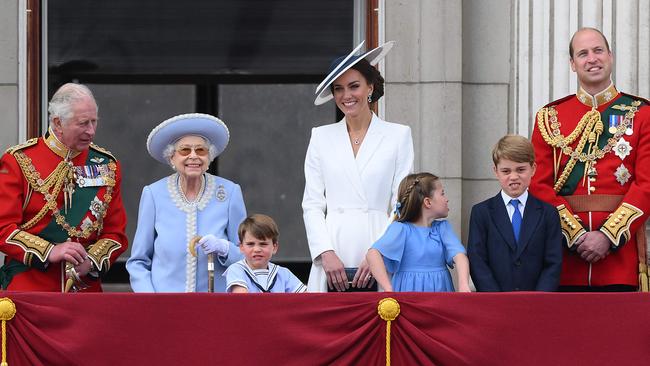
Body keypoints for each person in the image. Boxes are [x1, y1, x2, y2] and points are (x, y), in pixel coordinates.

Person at [530, 27, 650, 291]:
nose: (592, 59)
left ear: (611, 56)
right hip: (564, 259)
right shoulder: (550, 117)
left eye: (598, 50)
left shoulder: (641, 114)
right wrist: (576, 235)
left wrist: (608, 235)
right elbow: (538, 185)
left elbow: (646, 185)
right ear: (573, 64)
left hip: (620, 259)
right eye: (582, 54)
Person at [303, 40, 414, 292]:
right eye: (338, 89)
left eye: (354, 86)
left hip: (378, 241)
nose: (346, 95)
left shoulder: (398, 135)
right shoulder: (320, 137)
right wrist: (324, 252)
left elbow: (402, 202)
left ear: (370, 88)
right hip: (333, 247)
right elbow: (312, 203)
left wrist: (379, 252)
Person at [0, 83, 128, 292]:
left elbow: (116, 234)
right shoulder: (19, 161)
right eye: (83, 123)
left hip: (85, 290)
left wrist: (91, 262)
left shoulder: (106, 165)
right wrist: (50, 251)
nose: (91, 131)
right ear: (58, 123)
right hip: (30, 290)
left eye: (94, 122)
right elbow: (3, 228)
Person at [126, 113, 246, 292]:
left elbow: (247, 255)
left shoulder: (229, 192)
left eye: (201, 150)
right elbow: (138, 262)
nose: (193, 156)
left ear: (209, 157)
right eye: (184, 150)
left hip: (217, 304)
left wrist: (224, 248)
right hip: (165, 306)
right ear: (171, 157)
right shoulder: (153, 194)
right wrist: (149, 300)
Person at [467, 135, 562, 291]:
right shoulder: (481, 212)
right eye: (506, 171)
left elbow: (553, 262)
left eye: (520, 170)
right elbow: (477, 260)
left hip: (537, 303)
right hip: (495, 303)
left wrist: (539, 298)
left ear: (533, 169)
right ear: (495, 171)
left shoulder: (548, 213)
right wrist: (496, 299)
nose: (513, 177)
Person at [365, 173, 470, 292]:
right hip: (408, 294)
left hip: (440, 295)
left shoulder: (442, 228)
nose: (447, 199)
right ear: (428, 202)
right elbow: (373, 254)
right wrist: (388, 288)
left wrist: (463, 285)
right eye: (442, 194)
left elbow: (460, 256)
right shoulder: (401, 229)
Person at [224, 214, 306, 293]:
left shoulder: (283, 274)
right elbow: (242, 300)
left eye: (263, 244)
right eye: (250, 244)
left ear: (274, 247)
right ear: (241, 247)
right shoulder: (236, 270)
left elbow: (305, 298)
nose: (256, 249)